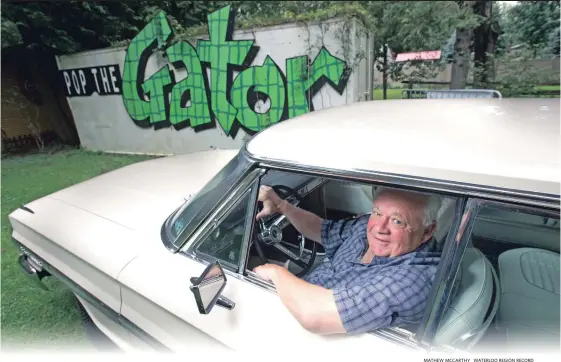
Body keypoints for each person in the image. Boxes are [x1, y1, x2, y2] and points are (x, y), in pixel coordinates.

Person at [253, 185, 443, 335]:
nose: (379, 228)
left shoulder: (412, 280)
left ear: (427, 231)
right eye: (377, 212)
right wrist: (281, 206)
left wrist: (275, 273)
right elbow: (321, 229)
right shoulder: (365, 225)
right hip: (297, 301)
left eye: (397, 221)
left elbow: (313, 315)